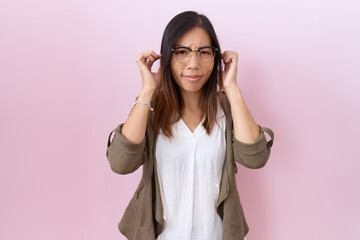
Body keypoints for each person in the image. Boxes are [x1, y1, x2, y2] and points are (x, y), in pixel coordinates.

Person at [106, 11, 274, 240]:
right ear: (167, 58)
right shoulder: (151, 109)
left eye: (204, 52)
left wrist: (232, 88)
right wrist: (147, 90)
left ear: (216, 57)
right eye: (181, 52)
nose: (193, 64)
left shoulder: (227, 108)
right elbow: (120, 163)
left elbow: (256, 159)